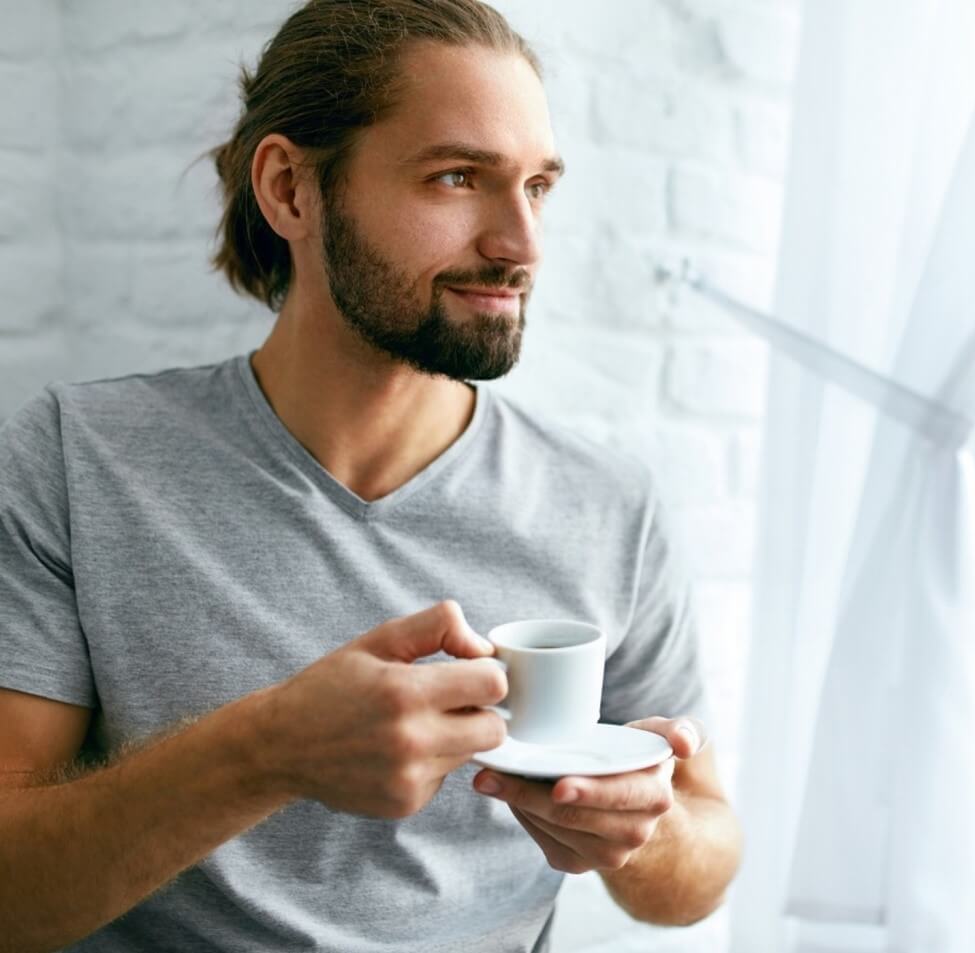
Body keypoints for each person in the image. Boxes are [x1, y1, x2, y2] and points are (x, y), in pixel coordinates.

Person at [0, 1, 742, 949]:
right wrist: (266, 751)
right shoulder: (77, 459)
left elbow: (701, 862)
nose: (522, 243)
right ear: (291, 191)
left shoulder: (608, 503)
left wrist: (644, 832)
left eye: (539, 187)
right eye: (457, 176)